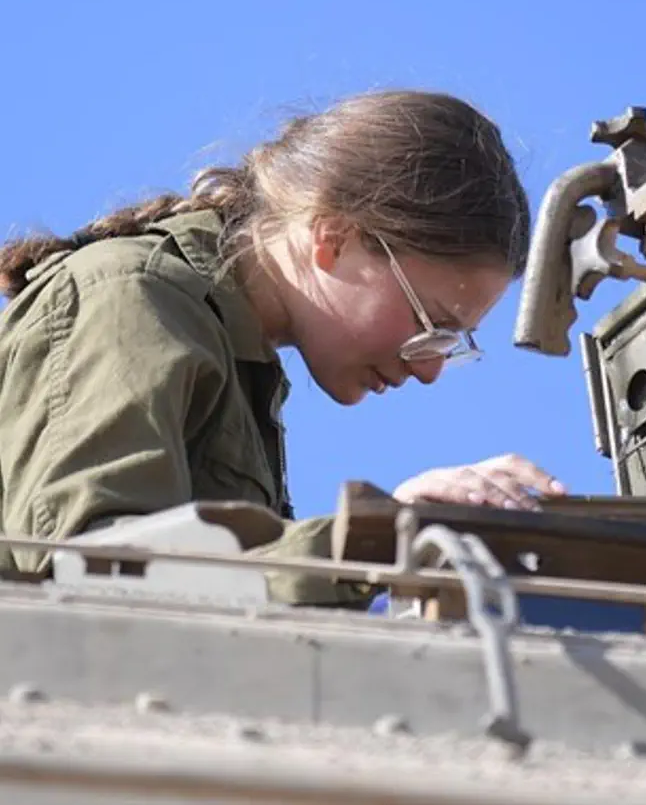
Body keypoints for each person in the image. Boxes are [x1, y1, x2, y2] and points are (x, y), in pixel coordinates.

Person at [0, 89, 566, 606]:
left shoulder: (232, 353)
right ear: (334, 237)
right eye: (432, 324)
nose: (431, 368)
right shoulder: (131, 300)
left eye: (452, 343)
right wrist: (378, 540)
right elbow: (87, 582)